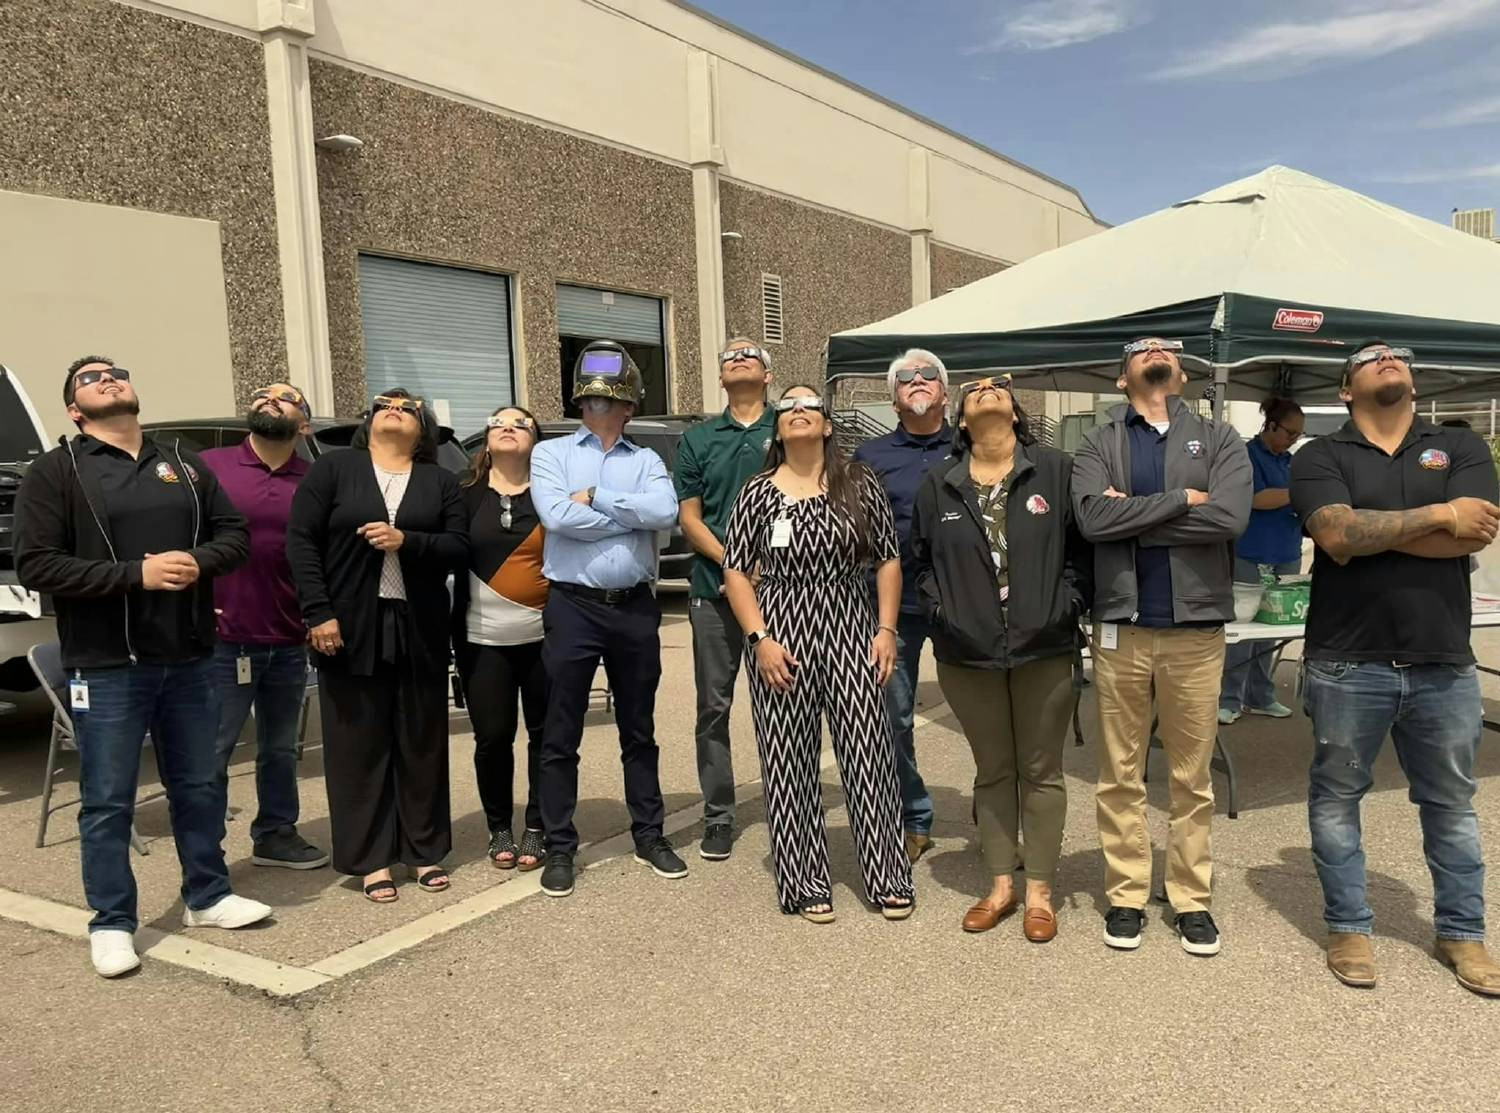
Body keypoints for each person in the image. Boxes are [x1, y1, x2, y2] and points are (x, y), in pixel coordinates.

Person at [13, 355, 269, 978]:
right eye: (89, 380)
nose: (107, 380)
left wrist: (198, 561)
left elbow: (234, 537)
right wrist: (137, 574)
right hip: (106, 665)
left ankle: (205, 897)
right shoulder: (57, 471)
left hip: (188, 657)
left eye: (115, 373)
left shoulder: (181, 462)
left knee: (201, 785)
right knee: (106, 799)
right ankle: (111, 922)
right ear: (75, 409)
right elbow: (37, 566)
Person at [1291, 340, 1500, 996]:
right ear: (1346, 389)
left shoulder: (1459, 446)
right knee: (1337, 798)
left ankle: (1462, 933)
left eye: (1399, 355)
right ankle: (1349, 924)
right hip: (1346, 660)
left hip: (1443, 658)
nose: (1390, 358)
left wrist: (1375, 529)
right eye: (1372, 356)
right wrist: (1441, 514)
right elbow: (1336, 536)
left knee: (1452, 806)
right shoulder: (1319, 454)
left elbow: (1479, 532)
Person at [1070, 337, 1251, 957]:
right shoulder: (1100, 442)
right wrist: (1180, 501)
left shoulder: (1219, 438)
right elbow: (1092, 521)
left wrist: (1136, 520)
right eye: (1141, 351)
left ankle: (1190, 898)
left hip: (1195, 631)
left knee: (1190, 775)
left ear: (1179, 373)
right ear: (1123, 378)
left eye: (1164, 350)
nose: (1155, 354)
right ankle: (1126, 895)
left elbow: (1229, 519)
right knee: (1118, 771)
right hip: (1121, 625)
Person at [721, 384, 915, 923]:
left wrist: (886, 628)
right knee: (788, 762)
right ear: (778, 428)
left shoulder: (858, 482)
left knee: (869, 754)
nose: (799, 412)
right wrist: (759, 639)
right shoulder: (758, 492)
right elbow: (735, 570)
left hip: (851, 625)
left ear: (827, 424)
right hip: (780, 629)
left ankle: (886, 874)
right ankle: (805, 881)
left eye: (809, 405)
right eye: (789, 408)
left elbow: (888, 560)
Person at [910, 375, 1089, 941]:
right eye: (975, 387)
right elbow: (921, 563)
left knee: (1041, 770)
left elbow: (1084, 552)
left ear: (1014, 410)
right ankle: (1000, 886)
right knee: (993, 771)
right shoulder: (939, 482)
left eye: (998, 386)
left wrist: (1065, 605)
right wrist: (944, 614)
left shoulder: (1056, 471)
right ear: (961, 418)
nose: (988, 389)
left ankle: (1039, 889)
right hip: (968, 652)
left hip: (1045, 646)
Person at [286, 387, 467, 904]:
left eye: (407, 408)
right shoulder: (334, 470)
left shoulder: (440, 481)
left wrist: (407, 541)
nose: (394, 410)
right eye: (384, 405)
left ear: (422, 428)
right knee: (357, 743)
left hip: (420, 625)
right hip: (348, 623)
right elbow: (302, 542)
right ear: (369, 421)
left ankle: (424, 849)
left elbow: (459, 548)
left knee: (421, 738)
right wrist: (318, 612)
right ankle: (370, 859)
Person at [530, 341, 685, 898]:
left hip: (634, 609)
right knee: (560, 731)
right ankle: (560, 846)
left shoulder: (647, 460)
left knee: (638, 730)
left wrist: (594, 496)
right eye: (589, 399)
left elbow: (666, 514)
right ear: (578, 401)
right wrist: (627, 517)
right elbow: (554, 515)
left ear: (629, 406)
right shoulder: (549, 454)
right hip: (572, 606)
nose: (597, 406)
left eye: (609, 400)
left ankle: (650, 833)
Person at [201, 382, 327, 869]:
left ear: (304, 424)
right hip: (221, 639)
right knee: (212, 752)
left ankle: (275, 833)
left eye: (286, 397)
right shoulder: (210, 467)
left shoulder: (314, 480)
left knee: (280, 748)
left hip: (288, 638)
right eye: (262, 394)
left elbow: (322, 556)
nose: (270, 399)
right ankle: (205, 853)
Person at [675, 338, 777, 861]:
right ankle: (719, 815)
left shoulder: (787, 426)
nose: (738, 359)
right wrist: (736, 563)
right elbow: (689, 519)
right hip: (712, 593)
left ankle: (789, 807)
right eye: (728, 357)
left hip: (781, 594)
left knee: (783, 704)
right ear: (720, 379)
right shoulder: (697, 439)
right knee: (713, 707)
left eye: (749, 354)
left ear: (767, 373)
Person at [852, 348, 953, 863]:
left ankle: (999, 811)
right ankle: (913, 818)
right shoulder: (869, 458)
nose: (917, 381)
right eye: (905, 378)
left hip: (964, 606)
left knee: (989, 721)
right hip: (892, 609)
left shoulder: (973, 445)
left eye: (928, 374)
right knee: (893, 718)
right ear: (893, 398)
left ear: (944, 390)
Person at [451, 405, 549, 872]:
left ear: (535, 438)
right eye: (497, 423)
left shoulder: (553, 495)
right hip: (481, 639)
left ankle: (537, 824)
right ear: (486, 441)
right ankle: (499, 827)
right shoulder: (461, 496)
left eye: (520, 423)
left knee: (546, 737)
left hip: (546, 638)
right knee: (492, 737)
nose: (508, 428)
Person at [1219, 396, 1305, 725]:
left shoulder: (1290, 462)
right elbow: (1255, 498)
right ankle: (1230, 698)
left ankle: (1261, 695)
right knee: (1242, 631)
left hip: (1286, 553)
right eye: (1289, 432)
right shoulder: (1245, 455)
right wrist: (1299, 492)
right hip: (1250, 553)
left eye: (1298, 435)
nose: (1293, 440)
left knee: (1272, 632)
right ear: (1270, 425)